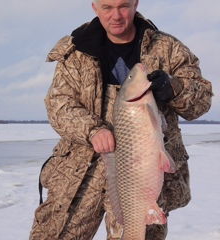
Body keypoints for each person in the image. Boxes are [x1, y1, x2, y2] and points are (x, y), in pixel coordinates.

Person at [29, 0, 213, 239]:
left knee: (138, 231)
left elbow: (202, 101)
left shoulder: (168, 49)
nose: (116, 16)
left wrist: (173, 88)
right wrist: (93, 131)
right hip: (81, 170)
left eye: (123, 6)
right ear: (95, 7)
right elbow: (59, 104)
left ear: (136, 4)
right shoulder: (77, 50)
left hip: (142, 171)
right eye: (107, 7)